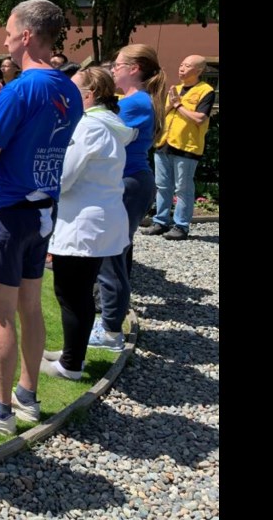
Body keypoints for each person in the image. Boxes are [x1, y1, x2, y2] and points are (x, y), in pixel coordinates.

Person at [0, 0, 83, 435]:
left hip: (7, 213)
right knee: (31, 306)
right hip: (43, 212)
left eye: (9, 30)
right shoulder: (69, 88)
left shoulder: (18, 90)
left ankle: (2, 410)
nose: (5, 37)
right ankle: (26, 395)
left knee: (1, 314)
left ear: (26, 35)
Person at [40, 67, 134, 380]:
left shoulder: (90, 126)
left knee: (71, 293)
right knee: (77, 292)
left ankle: (71, 365)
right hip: (97, 220)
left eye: (73, 90)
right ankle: (72, 352)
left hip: (84, 223)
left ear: (88, 95)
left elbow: (64, 177)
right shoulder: (106, 125)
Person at [92, 44, 165, 352]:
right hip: (131, 182)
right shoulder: (136, 101)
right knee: (117, 254)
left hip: (129, 183)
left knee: (112, 257)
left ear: (134, 69)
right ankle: (109, 319)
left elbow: (97, 129)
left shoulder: (135, 103)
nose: (113, 69)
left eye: (118, 64)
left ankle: (110, 330)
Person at [141, 55, 215, 241]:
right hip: (165, 143)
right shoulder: (176, 89)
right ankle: (160, 221)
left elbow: (200, 118)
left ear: (198, 70)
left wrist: (178, 105)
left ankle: (181, 226)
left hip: (186, 146)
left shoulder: (205, 90)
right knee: (162, 185)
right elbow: (164, 114)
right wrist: (169, 104)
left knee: (183, 188)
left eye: (187, 65)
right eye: (181, 64)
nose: (181, 68)